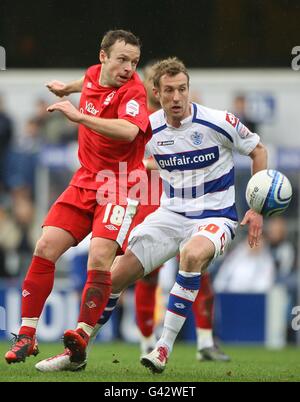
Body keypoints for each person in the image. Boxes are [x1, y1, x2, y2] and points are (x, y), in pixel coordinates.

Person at [36, 57, 267, 373]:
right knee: (114, 277)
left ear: (189, 90)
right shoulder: (149, 128)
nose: (177, 98)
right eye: (169, 91)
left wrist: (257, 209)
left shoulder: (219, 121)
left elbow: (258, 150)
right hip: (170, 215)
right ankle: (77, 350)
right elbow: (131, 158)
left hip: (215, 216)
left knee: (192, 254)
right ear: (156, 93)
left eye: (182, 89)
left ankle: (163, 347)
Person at [5, 29, 152, 364]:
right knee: (44, 247)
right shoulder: (91, 74)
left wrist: (81, 116)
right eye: (122, 60)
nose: (129, 68)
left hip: (121, 185)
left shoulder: (134, 92)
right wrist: (65, 88)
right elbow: (87, 82)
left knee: (99, 257)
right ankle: (26, 336)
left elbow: (129, 130)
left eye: (134, 62)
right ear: (103, 57)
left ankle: (81, 338)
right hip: (85, 180)